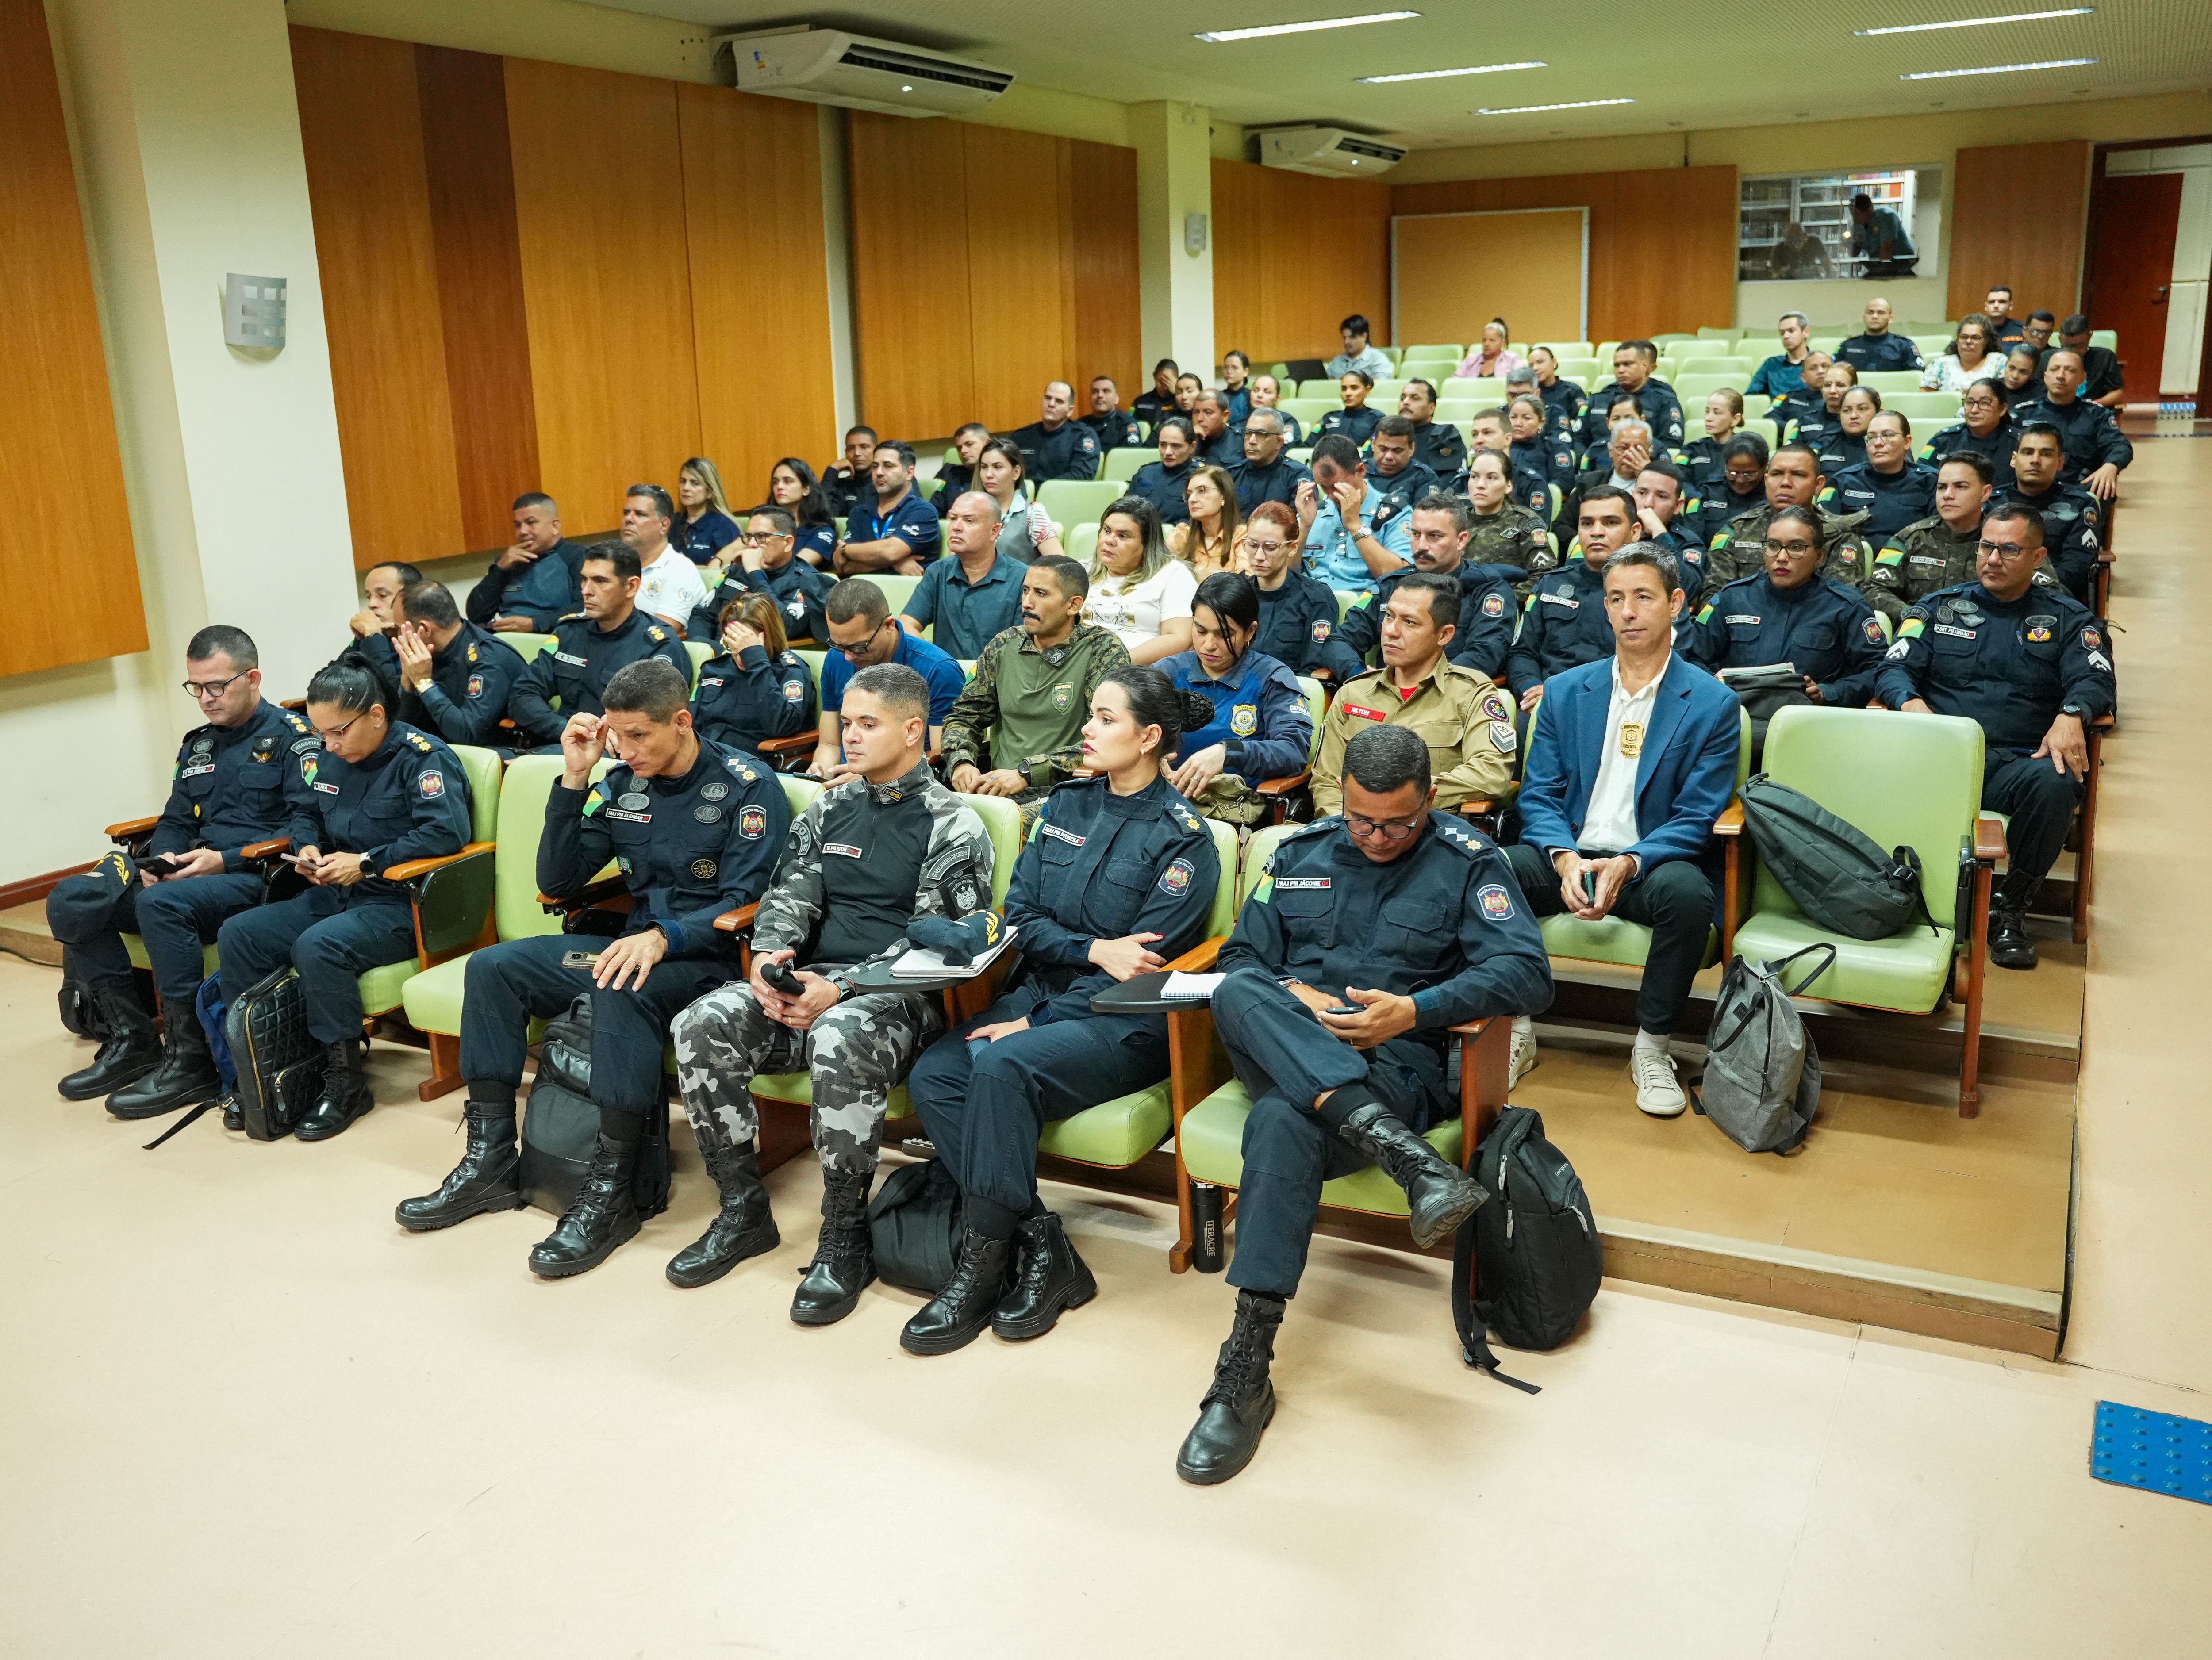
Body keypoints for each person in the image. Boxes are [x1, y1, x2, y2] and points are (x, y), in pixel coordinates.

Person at [1177, 722, 1551, 1485]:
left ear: (1431, 800)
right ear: (1340, 798)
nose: (1378, 836)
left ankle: (1244, 1364)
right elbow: (1246, 956)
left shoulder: (1466, 861)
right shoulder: (1301, 851)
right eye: (1362, 818)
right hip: (1291, 1038)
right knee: (1245, 985)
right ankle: (1412, 1167)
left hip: (1394, 1065)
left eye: (1398, 822)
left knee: (1283, 1117)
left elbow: (1528, 972)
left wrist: (1415, 1010)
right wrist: (1301, 997)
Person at [396, 659, 789, 1269]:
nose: (625, 749)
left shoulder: (747, 786)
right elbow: (557, 879)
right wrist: (576, 778)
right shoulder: (623, 783)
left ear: (681, 722)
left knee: (621, 987)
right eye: (616, 735)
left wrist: (664, 938)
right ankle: (491, 1159)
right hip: (629, 947)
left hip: (707, 959)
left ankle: (611, 1192)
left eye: (639, 735)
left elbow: (747, 900)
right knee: (494, 968)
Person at [901, 668, 1221, 1353]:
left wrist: (1037, 1020)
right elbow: (1021, 917)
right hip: (1040, 991)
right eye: (1091, 715)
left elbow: (1135, 975)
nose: (1088, 729)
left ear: (1150, 738)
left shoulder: (1184, 839)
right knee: (936, 1075)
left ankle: (981, 1270)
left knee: (1004, 1066)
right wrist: (1092, 946)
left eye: (1106, 719)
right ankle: (1042, 1247)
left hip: (1123, 1022)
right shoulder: (1068, 806)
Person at [666, 663, 998, 1316]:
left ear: (912, 730)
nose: (850, 737)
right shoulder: (832, 807)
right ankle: (742, 1210)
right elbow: (787, 897)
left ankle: (844, 1235)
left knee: (841, 1033)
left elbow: (938, 948)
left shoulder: (951, 824)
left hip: (898, 1002)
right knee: (701, 1021)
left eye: (867, 724)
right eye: (846, 723)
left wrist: (838, 988)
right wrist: (769, 962)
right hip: (811, 987)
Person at [1504, 543, 1739, 1109]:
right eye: (1616, 599)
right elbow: (1538, 794)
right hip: (1569, 854)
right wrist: (1562, 857)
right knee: (1490, 868)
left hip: (1646, 863)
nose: (1628, 612)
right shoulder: (1564, 692)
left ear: (1675, 603)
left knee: (1687, 894)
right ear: (1604, 609)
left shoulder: (1711, 703)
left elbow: (1695, 817)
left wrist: (1628, 862)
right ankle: (1512, 1028)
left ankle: (1652, 1048)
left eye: (1642, 597)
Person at [49, 626, 320, 1114]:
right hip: (188, 876)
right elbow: (174, 819)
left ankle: (191, 1060)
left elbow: (307, 827)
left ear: (253, 678)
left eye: (218, 685)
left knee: (160, 903)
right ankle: (132, 1042)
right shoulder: (197, 746)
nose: (206, 699)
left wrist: (225, 860)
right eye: (196, 687)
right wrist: (165, 859)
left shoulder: (294, 741)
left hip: (253, 880)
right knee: (78, 897)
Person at [214, 661, 472, 1141]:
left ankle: (346, 1080)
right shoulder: (332, 756)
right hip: (335, 891)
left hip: (401, 903)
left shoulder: (422, 758)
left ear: (376, 715)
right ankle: (264, 1071)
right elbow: (307, 810)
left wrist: (369, 861)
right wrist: (308, 846)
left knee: (320, 946)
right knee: (241, 934)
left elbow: (447, 831)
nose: (328, 745)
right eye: (321, 734)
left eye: (337, 733)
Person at [1876, 503, 2116, 970]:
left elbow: (2096, 681)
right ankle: (1892, 892)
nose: (1992, 558)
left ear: (2036, 557)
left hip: (2016, 762)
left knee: (2056, 781)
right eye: (1986, 546)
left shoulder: (2068, 619)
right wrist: (1909, 703)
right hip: (1940, 756)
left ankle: (2009, 908)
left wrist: (2072, 713)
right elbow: (1892, 668)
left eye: (2008, 549)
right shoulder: (1936, 608)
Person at [1682, 506, 1884, 755]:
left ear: (1819, 556)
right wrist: (1712, 685)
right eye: (1773, 546)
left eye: (1796, 548)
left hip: (1810, 729)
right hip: (1734, 721)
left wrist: (1828, 693)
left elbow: (1877, 670)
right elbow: (1692, 657)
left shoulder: (1846, 606)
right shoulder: (1733, 598)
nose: (1781, 557)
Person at [942, 556, 1132, 816]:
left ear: (1073, 605)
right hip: (997, 791)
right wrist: (961, 762)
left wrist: (1028, 774)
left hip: (1068, 792)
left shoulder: (1102, 649)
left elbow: (1107, 734)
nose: (1027, 602)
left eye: (1041, 594)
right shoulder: (1003, 645)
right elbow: (964, 717)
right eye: (1025, 590)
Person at [1313, 574, 1514, 817]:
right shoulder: (1352, 694)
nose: (1390, 631)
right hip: (1352, 833)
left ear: (1444, 635)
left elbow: (1491, 774)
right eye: (1389, 616)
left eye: (1410, 623)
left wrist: (1401, 801)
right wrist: (1349, 828)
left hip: (1432, 836)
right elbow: (1325, 781)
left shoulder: (1472, 694)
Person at [1159, 574, 1314, 823]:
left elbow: (1293, 752)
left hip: (1235, 810)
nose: (1208, 645)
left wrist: (1228, 753)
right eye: (1200, 631)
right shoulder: (1167, 673)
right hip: (1166, 803)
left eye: (1223, 635)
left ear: (1250, 632)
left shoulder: (1270, 677)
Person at [507, 544, 694, 750]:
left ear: (631, 587)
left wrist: (603, 736)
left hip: (618, 755)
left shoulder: (658, 647)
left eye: (600, 581)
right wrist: (565, 728)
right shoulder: (568, 632)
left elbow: (659, 724)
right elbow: (522, 695)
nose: (586, 591)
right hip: (559, 743)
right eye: (584, 580)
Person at [1340, 492, 1521, 682]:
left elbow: (1483, 656)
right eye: (1416, 534)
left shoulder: (1488, 590)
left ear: (1461, 541)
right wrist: (1358, 676)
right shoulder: (1392, 585)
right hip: (1384, 693)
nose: (1422, 546)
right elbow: (1341, 640)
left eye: (1434, 536)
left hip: (1447, 698)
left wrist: (1422, 686)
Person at [1868, 451, 2058, 620]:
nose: (1947, 495)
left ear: (1985, 493)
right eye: (1942, 487)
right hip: (1923, 637)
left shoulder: (2009, 539)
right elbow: (1873, 589)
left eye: (1960, 487)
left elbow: (2050, 593)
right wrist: (1915, 616)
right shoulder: (1909, 538)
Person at [1509, 487, 1644, 708]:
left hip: (1615, 704)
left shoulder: (1650, 593)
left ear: (1635, 532)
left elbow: (1653, 665)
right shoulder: (1550, 585)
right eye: (1587, 523)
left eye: (1610, 523)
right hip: (1543, 703)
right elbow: (1523, 652)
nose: (1596, 532)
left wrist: (1562, 694)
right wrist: (1529, 688)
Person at [813, 579, 965, 771]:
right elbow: (830, 745)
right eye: (838, 645)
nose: (849, 657)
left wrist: (870, 779)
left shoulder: (939, 670)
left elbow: (941, 758)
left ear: (889, 625)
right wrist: (822, 772)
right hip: (847, 782)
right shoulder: (837, 659)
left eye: (859, 647)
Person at [1705, 443, 1874, 590]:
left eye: (1798, 475)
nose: (1785, 483)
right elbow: (1715, 595)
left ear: (1818, 485)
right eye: (1777, 474)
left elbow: (1839, 602)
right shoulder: (1737, 530)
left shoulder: (1840, 536)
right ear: (1766, 481)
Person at [389, 580, 529, 752]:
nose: (397, 636)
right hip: (447, 752)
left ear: (424, 629)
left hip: (500, 754)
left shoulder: (488, 660)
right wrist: (408, 683)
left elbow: (466, 734)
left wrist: (424, 684)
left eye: (399, 629)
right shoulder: (426, 656)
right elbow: (403, 732)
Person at [1244, 501, 1363, 685]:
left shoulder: (1316, 599)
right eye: (1252, 545)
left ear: (1292, 548)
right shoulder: (1236, 591)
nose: (1259, 556)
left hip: (1283, 695)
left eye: (1270, 548)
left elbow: (1312, 671)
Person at [900, 492, 1029, 662]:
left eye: (969, 521)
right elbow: (907, 624)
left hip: (1001, 680)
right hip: (948, 678)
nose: (956, 527)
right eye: (953, 518)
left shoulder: (1022, 578)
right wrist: (936, 661)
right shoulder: (938, 572)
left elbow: (1024, 643)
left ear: (994, 531)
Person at [690, 590, 816, 755]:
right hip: (706, 757)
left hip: (753, 764)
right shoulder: (715, 669)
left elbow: (782, 727)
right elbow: (691, 725)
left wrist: (756, 662)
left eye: (748, 644)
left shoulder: (789, 672)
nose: (740, 653)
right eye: (734, 642)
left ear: (769, 637)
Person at [690, 505, 834, 650]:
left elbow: (785, 627)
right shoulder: (737, 571)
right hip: (719, 658)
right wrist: (704, 649)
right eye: (749, 537)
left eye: (762, 537)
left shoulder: (806, 582)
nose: (752, 545)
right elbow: (703, 614)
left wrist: (755, 572)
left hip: (764, 663)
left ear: (788, 543)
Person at [1997, 423, 2107, 601]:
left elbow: (2076, 567)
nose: (2035, 460)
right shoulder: (1989, 503)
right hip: (1992, 592)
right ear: (2014, 459)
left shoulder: (2081, 505)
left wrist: (2023, 590)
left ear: (2060, 463)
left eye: (2046, 454)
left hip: (2051, 597)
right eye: (2028, 452)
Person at [1085, 496, 1199, 665]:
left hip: (1138, 675)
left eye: (1123, 536)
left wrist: (1115, 662)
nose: (1109, 540)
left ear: (1146, 544)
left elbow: (1179, 639)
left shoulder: (1174, 575)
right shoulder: (1082, 571)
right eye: (1107, 531)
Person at [1296, 433, 1413, 595]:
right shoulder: (1315, 512)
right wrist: (1304, 526)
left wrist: (1355, 526)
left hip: (1365, 608)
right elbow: (1286, 575)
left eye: (1337, 487)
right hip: (1311, 605)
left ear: (1360, 471)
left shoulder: (1393, 513)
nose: (1330, 496)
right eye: (1324, 488)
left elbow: (1397, 577)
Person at [2011, 348, 2133, 500]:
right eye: (2055, 370)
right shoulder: (2023, 414)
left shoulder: (2097, 415)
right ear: (2045, 376)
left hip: (2078, 493)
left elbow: (2120, 446)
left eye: (2069, 371)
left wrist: (2111, 466)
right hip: (2030, 491)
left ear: (2082, 379)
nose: (2061, 376)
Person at [466, 494, 589, 633]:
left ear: (555, 526)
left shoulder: (579, 557)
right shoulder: (507, 562)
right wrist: (499, 570)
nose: (523, 532)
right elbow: (476, 616)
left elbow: (585, 609)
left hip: (556, 638)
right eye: (518, 525)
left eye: (531, 523)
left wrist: (534, 624)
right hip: (507, 641)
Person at [1824, 410, 1936, 545]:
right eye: (1871, 437)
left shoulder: (1931, 481)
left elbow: (1939, 534)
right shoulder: (1842, 481)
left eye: (1887, 435)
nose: (1878, 443)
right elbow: (1824, 532)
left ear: (1907, 442)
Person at [838, 441, 941, 575]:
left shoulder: (923, 511)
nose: (879, 473)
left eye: (888, 466)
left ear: (909, 473)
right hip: (861, 592)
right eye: (875, 467)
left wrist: (845, 550)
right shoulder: (859, 513)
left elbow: (890, 552)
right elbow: (845, 567)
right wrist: (895, 564)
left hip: (905, 593)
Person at [622, 484, 710, 635]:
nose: (629, 519)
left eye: (640, 514)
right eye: (626, 512)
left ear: (664, 525)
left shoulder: (680, 571)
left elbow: (661, 634)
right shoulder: (616, 564)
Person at [1460, 446, 1554, 578]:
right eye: (1474, 476)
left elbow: (1543, 575)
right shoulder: (1455, 521)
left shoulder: (1524, 522)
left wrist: (1508, 597)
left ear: (1508, 486)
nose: (1480, 484)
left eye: (1492, 478)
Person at [338, 560, 420, 709]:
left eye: (382, 595)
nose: (371, 604)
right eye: (369, 597)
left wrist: (373, 637)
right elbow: (321, 685)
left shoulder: (422, 640)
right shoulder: (375, 636)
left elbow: (393, 700)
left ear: (411, 598)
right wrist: (363, 638)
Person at [1578, 341, 1685, 450]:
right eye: (1617, 365)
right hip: (1599, 463)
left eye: (1627, 364)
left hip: (1645, 463)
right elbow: (1578, 440)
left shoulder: (1665, 401)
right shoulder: (1596, 400)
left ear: (1645, 366)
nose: (1621, 370)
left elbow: (1671, 443)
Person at [975, 436, 1066, 563]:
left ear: (1016, 473)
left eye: (997, 467)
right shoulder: (969, 511)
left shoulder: (1032, 513)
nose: (989, 475)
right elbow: (952, 563)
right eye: (984, 467)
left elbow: (1061, 565)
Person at [1631, 461, 1709, 607]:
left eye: (1662, 497)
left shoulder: (1688, 542)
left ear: (1678, 506)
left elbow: (1687, 588)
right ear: (1632, 495)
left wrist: (1660, 534)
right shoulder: (1616, 531)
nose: (1648, 503)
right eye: (1642, 493)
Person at [1921, 378, 2016, 486]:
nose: (1974, 410)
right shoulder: (1942, 439)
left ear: (2003, 409)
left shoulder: (2018, 443)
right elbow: (1921, 472)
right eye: (1969, 403)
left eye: (1984, 403)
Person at [1009, 380, 1102, 482]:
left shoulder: (1082, 435)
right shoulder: (1021, 437)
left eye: (1059, 401)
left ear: (1070, 411)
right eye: (1048, 398)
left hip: (1062, 494)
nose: (1051, 404)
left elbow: (1082, 474)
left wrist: (1045, 490)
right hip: (1022, 495)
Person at [764, 456, 841, 567]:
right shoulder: (766, 525)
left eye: (788, 481)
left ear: (806, 489)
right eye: (776, 482)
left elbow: (796, 568)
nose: (779, 487)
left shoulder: (822, 531)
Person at [1230, 407, 1310, 512]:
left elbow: (1302, 522)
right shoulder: (1233, 475)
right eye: (1248, 434)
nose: (1252, 441)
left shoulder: (1296, 476)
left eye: (1261, 435)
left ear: (1279, 442)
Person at [1169, 465, 1244, 575]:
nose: (1192, 500)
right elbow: (1159, 575)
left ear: (1223, 496)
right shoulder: (1182, 534)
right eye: (1190, 494)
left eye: (1202, 491)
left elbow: (1246, 584)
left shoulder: (1242, 536)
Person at [1699, 432, 1771, 545]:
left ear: (1765, 467)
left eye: (1749, 474)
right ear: (1725, 467)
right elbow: (1694, 539)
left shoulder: (1773, 498)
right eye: (1733, 473)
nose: (1740, 480)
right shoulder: (1708, 493)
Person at [1127, 417, 1199, 525]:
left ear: (1192, 447)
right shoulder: (1145, 473)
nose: (1168, 452)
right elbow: (1124, 511)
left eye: (1176, 446)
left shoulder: (1200, 478)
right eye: (1163, 445)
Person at [2042, 314, 2124, 408]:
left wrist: (2092, 405)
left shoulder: (2105, 356)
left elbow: (2117, 393)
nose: (2074, 351)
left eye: (2080, 345)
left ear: (2090, 337)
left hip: (2091, 410)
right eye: (2068, 346)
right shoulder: (2048, 357)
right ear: (2060, 339)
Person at [670, 456, 740, 567]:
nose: (686, 488)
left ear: (710, 492)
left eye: (695, 483)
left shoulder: (724, 526)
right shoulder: (672, 522)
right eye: (683, 482)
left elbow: (730, 569)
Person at [1364, 416, 1442, 512]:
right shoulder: (1358, 471)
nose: (1389, 457)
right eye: (1383, 449)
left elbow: (1425, 520)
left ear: (1411, 449)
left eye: (1398, 451)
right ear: (1373, 444)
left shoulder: (1425, 478)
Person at [1681, 388, 1747, 498]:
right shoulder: (1691, 450)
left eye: (1717, 413)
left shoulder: (1747, 452)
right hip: (1698, 507)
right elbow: (1680, 481)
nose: (1708, 418)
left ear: (1735, 419)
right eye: (1707, 411)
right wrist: (1701, 500)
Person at [1397, 379, 1468, 479]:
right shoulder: (1386, 433)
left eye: (1415, 398)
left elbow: (1450, 481)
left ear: (1431, 408)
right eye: (1403, 398)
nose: (1405, 402)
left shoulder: (1445, 435)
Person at [1509, 393, 1576, 498]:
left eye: (1526, 418)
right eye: (1513, 417)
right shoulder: (1500, 446)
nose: (1518, 423)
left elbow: (1565, 481)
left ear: (1541, 422)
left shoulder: (1554, 447)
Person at [1835, 297, 1923, 372]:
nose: (1875, 316)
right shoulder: (1847, 346)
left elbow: (1916, 374)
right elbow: (1833, 371)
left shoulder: (1904, 345)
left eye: (1881, 313)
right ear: (1864, 318)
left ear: (1891, 318)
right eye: (1870, 313)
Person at [1812, 384, 1882, 478]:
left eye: (1862, 409)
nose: (1853, 416)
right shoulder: (1824, 442)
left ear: (1879, 413)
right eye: (1847, 410)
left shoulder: (1890, 444)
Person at [1766, 351, 1834, 444]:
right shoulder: (1787, 399)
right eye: (1813, 368)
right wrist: (1802, 429)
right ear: (1803, 377)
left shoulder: (1844, 400)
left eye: (1825, 366)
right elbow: (1770, 420)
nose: (1821, 371)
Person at [1922, 314, 2000, 395]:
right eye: (1964, 337)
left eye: (1975, 338)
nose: (1969, 342)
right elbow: (1925, 399)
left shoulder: (1998, 362)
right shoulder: (1941, 364)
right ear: (1957, 340)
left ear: (1986, 342)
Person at [1747, 312, 1816, 398]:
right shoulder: (1771, 364)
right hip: (1777, 410)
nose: (1786, 337)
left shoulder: (1820, 364)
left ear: (1806, 332)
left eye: (1791, 331)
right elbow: (1751, 395)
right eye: (1782, 333)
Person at [1847, 194, 1916, 278]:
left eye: (1857, 215)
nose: (1854, 218)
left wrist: (1881, 276)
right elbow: (1854, 253)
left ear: (1869, 211)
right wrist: (1848, 244)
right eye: (1853, 214)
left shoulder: (1887, 217)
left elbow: (1886, 251)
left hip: (1900, 264)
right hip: (1876, 265)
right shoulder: (1857, 224)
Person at [926, 422, 992, 512]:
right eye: (959, 448)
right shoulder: (950, 474)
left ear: (988, 444)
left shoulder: (999, 475)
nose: (963, 451)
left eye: (969, 445)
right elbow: (932, 510)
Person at [1528, 345, 1587, 441]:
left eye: (1540, 362)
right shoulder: (1529, 393)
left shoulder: (1572, 391)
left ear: (1554, 362)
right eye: (1531, 365)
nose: (1535, 368)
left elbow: (1581, 424)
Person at [820, 425, 878, 518]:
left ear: (876, 450)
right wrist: (833, 470)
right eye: (851, 448)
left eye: (864, 447)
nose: (857, 453)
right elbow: (819, 516)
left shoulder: (884, 483)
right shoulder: (841, 487)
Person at [1316, 370, 1382, 447]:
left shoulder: (1377, 419)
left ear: (1367, 391)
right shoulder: (1329, 418)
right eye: (1344, 389)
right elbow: (1306, 447)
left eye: (1354, 388)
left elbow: (1372, 449)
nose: (1347, 394)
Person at [1082, 375, 1143, 451]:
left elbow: (1132, 456)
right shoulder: (1081, 425)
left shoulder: (1127, 423)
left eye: (1106, 391)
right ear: (1090, 399)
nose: (1100, 395)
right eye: (1095, 392)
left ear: (1116, 399)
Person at [1325, 314, 1391, 381]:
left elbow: (1383, 382)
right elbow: (1325, 382)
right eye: (1345, 338)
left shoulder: (1377, 358)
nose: (1346, 342)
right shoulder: (1337, 361)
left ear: (1364, 336)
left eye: (1352, 338)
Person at [1454, 318, 1522, 381]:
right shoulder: (1470, 360)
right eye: (1484, 340)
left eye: (1492, 341)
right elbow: (1455, 381)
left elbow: (1519, 382)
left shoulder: (1512, 359)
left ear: (1502, 342)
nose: (1487, 344)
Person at [1190, 391, 1244, 470]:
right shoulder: (1187, 441)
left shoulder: (1242, 441)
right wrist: (1190, 440)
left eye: (1208, 412)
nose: (1200, 419)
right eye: (1196, 412)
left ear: (1225, 416)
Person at [1247, 374, 1304, 445]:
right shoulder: (1242, 419)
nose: (1259, 395)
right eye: (1256, 390)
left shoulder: (1286, 421)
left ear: (1277, 399)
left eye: (1267, 392)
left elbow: (1284, 449)